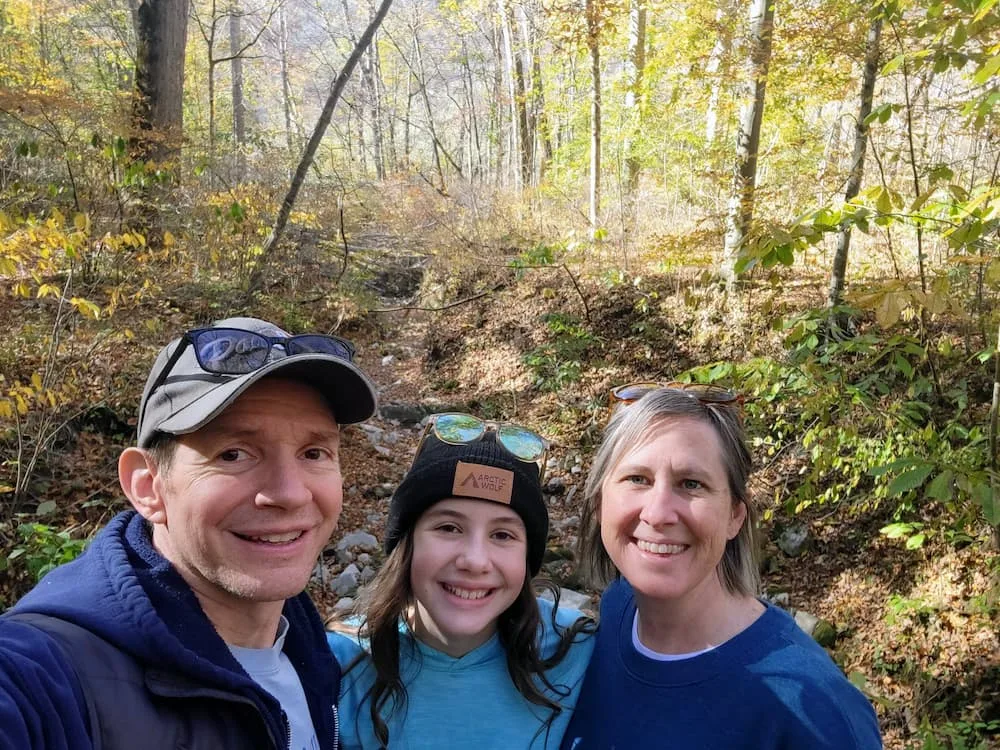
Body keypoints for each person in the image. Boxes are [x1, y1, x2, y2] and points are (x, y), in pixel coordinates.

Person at [0, 316, 379, 750]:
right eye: (233, 454)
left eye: (314, 453)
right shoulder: (43, 676)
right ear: (147, 486)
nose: (290, 494)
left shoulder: (310, 652)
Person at [561, 383, 883, 749]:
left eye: (691, 484)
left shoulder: (813, 712)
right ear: (600, 503)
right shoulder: (616, 611)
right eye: (637, 479)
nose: (659, 513)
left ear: (735, 516)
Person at [327, 413, 595, 749]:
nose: (475, 561)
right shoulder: (340, 663)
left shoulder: (579, 650)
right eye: (449, 528)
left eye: (502, 534)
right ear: (405, 544)